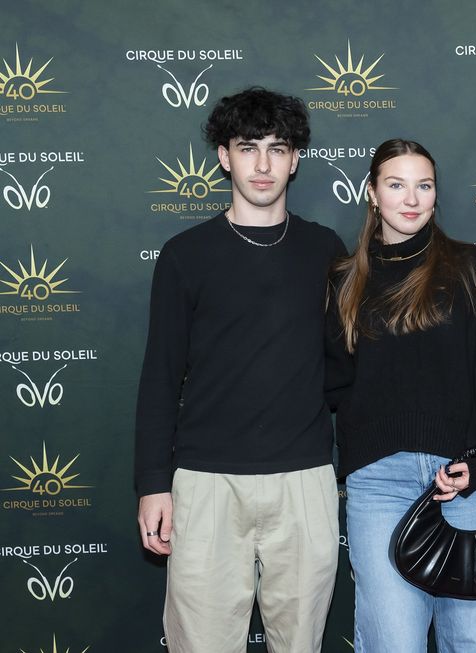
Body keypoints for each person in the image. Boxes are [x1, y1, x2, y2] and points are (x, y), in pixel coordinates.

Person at [134, 87, 346, 653]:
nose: (262, 164)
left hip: (304, 478)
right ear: (224, 156)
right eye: (247, 147)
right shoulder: (185, 254)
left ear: (295, 159)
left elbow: (345, 368)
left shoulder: (326, 250)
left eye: (277, 149)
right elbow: (159, 376)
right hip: (205, 482)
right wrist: (154, 484)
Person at [331, 139, 476, 652]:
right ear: (372, 194)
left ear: (436, 195)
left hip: (466, 483)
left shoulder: (471, 266)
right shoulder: (345, 279)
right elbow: (335, 383)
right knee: (393, 644)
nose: (411, 198)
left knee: (473, 643)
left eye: (423, 185)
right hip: (379, 485)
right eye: (396, 184)